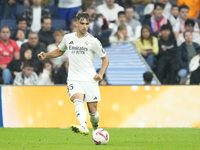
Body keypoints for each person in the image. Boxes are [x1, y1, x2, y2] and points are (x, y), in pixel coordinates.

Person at [37, 12, 109, 135]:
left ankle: (96, 130)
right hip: (74, 78)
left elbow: (105, 58)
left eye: (87, 24)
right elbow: (60, 51)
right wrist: (46, 55)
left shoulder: (93, 41)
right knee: (77, 100)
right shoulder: (68, 38)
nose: (84, 26)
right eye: (82, 23)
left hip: (90, 78)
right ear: (76, 23)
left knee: (93, 111)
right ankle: (83, 126)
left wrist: (101, 74)